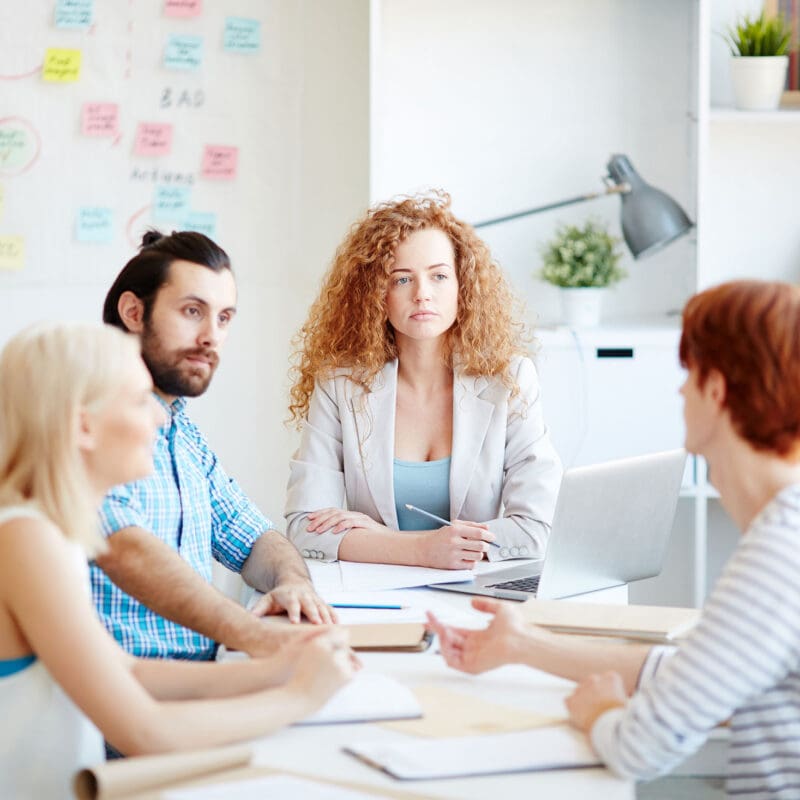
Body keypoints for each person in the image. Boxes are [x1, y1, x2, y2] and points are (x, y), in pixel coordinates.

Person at [429, 280, 800, 798]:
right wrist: (524, 644)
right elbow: (691, 672)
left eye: (689, 375)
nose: (680, 391)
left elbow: (637, 746)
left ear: (716, 391)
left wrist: (599, 711)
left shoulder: (779, 555)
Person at [0, 322, 356, 799]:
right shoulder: (27, 539)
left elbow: (129, 671)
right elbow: (144, 731)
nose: (161, 419)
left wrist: (280, 665)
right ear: (83, 425)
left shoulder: (46, 531)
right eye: (138, 399)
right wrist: (299, 695)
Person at [285, 191, 562, 568]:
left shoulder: (509, 379)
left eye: (439, 276)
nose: (422, 294)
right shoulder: (340, 384)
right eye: (401, 280)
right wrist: (421, 550)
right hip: (374, 598)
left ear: (463, 287)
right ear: (374, 294)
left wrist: (383, 539)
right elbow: (305, 529)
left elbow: (535, 531)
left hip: (477, 594)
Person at [95, 230, 335, 664]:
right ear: (133, 311)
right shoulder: (90, 418)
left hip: (200, 675)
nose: (212, 336)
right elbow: (125, 548)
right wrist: (253, 635)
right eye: (193, 311)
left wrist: (292, 582)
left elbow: (252, 535)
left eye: (224, 318)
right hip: (124, 700)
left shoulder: (182, 432)